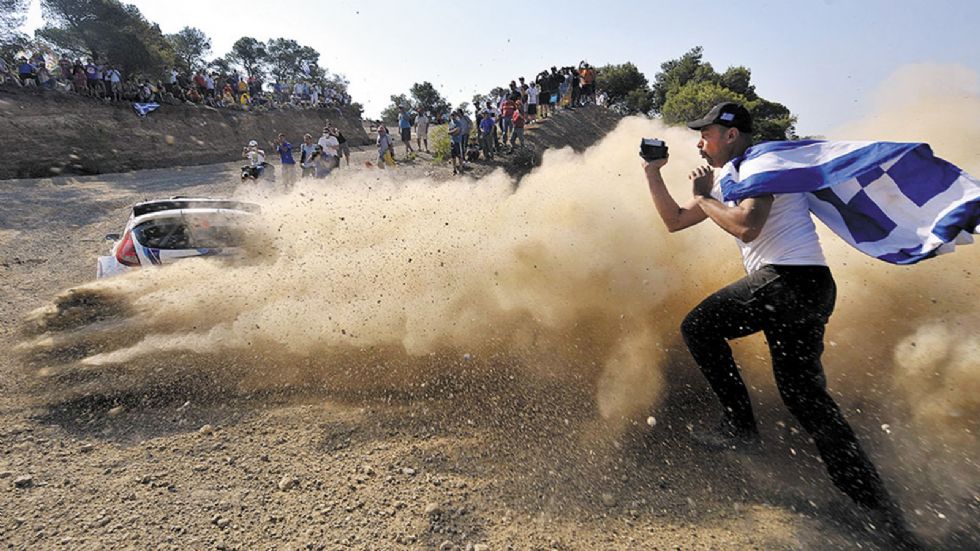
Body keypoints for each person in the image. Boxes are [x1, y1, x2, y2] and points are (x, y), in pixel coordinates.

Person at [641, 102, 917, 546]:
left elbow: (748, 226)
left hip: (787, 282)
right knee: (808, 402)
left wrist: (705, 197)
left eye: (706, 133)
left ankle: (739, 426)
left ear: (731, 134)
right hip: (806, 288)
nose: (699, 141)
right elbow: (675, 222)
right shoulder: (738, 173)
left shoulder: (764, 161)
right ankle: (878, 512)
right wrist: (654, 172)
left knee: (699, 327)